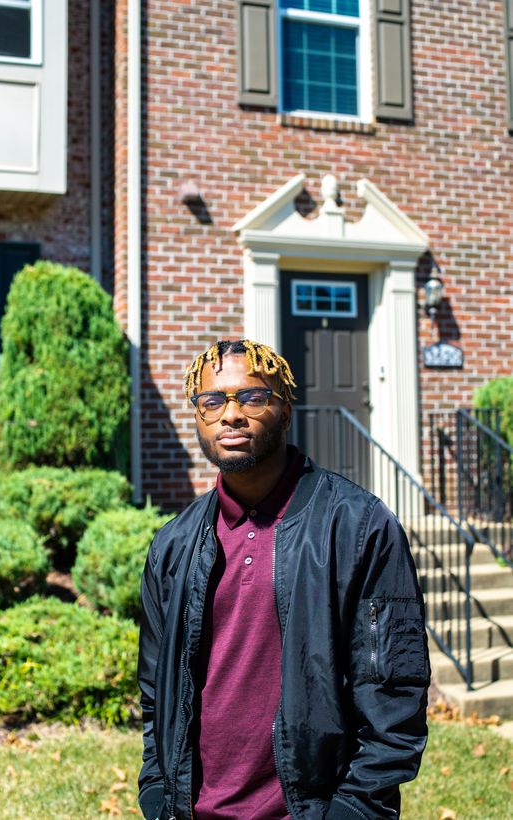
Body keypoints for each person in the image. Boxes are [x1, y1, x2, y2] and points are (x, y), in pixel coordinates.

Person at [138, 339, 430, 820]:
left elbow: (395, 692)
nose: (231, 414)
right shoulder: (174, 544)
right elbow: (156, 692)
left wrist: (354, 810)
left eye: (252, 397)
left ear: (286, 410)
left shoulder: (358, 527)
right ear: (198, 416)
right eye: (212, 401)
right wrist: (156, 790)